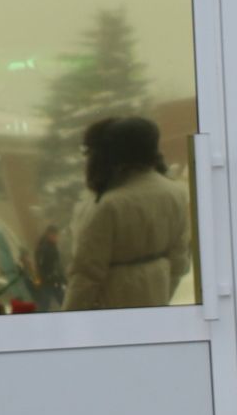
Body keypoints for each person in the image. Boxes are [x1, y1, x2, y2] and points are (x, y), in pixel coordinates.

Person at [63, 116, 193, 311]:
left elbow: (86, 274)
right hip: (157, 303)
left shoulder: (110, 205)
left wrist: (68, 321)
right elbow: (179, 261)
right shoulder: (175, 193)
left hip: (113, 310)